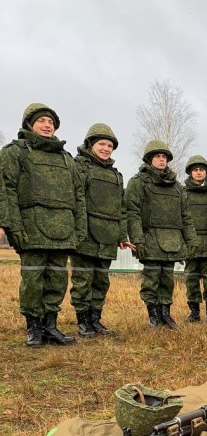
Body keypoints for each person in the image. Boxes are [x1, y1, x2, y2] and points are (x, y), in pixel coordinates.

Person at [1, 103, 87, 347]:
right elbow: (6, 189)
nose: (47, 125)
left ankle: (50, 326)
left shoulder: (67, 159)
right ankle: (34, 329)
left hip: (63, 230)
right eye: (41, 121)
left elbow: (78, 196)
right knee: (32, 280)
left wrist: (79, 229)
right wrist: (12, 225)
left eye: (51, 122)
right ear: (29, 124)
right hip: (32, 229)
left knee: (57, 280)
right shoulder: (14, 153)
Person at [125, 140, 197, 328]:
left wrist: (191, 241)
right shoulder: (138, 183)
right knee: (151, 280)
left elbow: (185, 216)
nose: (161, 160)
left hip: (172, 242)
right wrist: (138, 240)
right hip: (150, 240)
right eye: (157, 156)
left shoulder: (177, 187)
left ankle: (165, 314)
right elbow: (132, 213)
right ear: (149, 159)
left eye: (164, 157)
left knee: (167, 280)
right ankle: (154, 316)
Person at [70, 123, 133, 337]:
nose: (106, 149)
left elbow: (121, 208)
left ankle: (95, 320)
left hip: (108, 235)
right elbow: (75, 200)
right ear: (90, 144)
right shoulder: (78, 167)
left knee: (101, 280)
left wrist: (121, 235)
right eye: (102, 144)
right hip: (86, 234)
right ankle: (83, 322)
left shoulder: (116, 175)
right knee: (83, 280)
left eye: (110, 146)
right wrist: (77, 231)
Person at [182, 155, 207, 324]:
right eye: (195, 170)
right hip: (191, 244)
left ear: (206, 172)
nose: (198, 173)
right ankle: (194, 312)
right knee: (191, 279)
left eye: (201, 170)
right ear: (190, 173)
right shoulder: (183, 194)